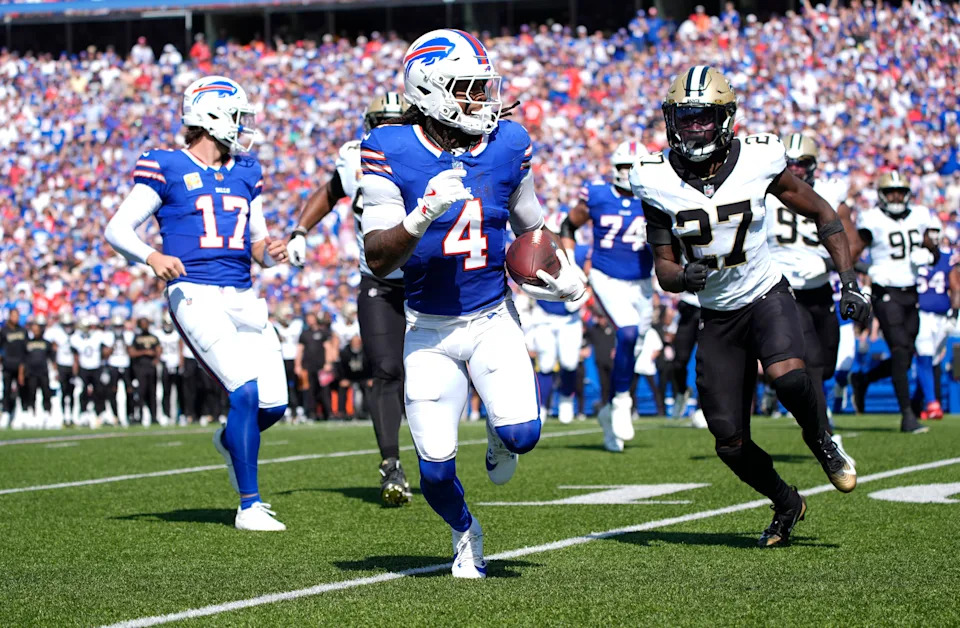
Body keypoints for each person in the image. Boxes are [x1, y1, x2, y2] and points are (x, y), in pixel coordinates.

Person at [361, 29, 586, 577]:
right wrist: (420, 216)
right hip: (428, 329)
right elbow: (376, 258)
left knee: (522, 436)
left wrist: (564, 268)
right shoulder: (389, 148)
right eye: (467, 89)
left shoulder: (508, 143)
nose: (481, 100)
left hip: (490, 317)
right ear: (431, 91)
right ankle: (466, 533)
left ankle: (497, 434)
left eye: (484, 88)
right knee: (435, 473)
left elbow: (531, 224)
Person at [635, 66, 868, 547]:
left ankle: (820, 438)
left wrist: (849, 281)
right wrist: (684, 276)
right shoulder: (652, 177)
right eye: (684, 118)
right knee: (729, 442)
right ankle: (787, 502)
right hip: (717, 314)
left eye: (703, 118)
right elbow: (664, 267)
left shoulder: (759, 158)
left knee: (789, 376)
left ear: (725, 119)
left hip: (766, 293)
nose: (693, 127)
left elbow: (824, 213)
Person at [105, 75, 290, 531]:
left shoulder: (247, 170)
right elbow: (117, 228)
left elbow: (258, 245)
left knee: (274, 405)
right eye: (237, 116)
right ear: (210, 117)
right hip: (195, 292)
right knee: (243, 390)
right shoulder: (165, 165)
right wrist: (152, 256)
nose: (244, 126)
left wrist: (275, 252)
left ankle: (229, 442)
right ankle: (250, 505)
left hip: (242, 294)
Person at [287, 93, 414, 506]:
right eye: (384, 123)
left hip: (427, 279)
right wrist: (301, 231)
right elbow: (330, 191)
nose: (390, 131)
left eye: (398, 122)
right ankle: (391, 464)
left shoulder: (427, 153)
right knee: (387, 370)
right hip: (378, 281)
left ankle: (443, 457)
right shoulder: (355, 157)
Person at [561, 139, 653, 452]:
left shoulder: (655, 198)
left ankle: (608, 408)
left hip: (642, 282)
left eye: (633, 167)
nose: (628, 174)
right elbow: (567, 225)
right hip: (606, 276)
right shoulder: (597, 194)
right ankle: (622, 403)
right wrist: (572, 263)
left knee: (635, 344)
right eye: (624, 167)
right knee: (627, 332)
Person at [765, 133, 852, 439]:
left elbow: (849, 240)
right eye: (791, 163)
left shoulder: (829, 192)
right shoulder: (765, 192)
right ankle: (822, 431)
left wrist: (831, 266)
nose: (796, 169)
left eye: (803, 163)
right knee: (812, 360)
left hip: (820, 287)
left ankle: (792, 396)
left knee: (826, 363)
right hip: (785, 289)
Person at [848, 171, 939, 434]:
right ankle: (907, 415)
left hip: (910, 292)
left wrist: (929, 253)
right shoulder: (872, 220)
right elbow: (851, 254)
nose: (896, 197)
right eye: (891, 192)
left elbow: (931, 248)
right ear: (882, 195)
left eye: (900, 191)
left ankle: (864, 379)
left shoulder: (920, 215)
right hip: (885, 291)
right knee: (899, 349)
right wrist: (869, 268)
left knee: (907, 354)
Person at [913, 240, 956, 420]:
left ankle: (916, 403)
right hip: (920, 313)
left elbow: (956, 286)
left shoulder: (948, 259)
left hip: (941, 316)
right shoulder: (913, 256)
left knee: (932, 360)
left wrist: (954, 313)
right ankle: (932, 403)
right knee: (925, 355)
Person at [70, 316, 110, 426]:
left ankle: (100, 413)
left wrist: (105, 368)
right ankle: (83, 414)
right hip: (84, 368)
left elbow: (107, 350)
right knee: (83, 392)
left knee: (99, 391)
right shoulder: (76, 338)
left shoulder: (98, 336)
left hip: (96, 367)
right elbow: (76, 357)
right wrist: (75, 374)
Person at [45, 312, 79, 425]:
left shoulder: (76, 335)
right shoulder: (58, 334)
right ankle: (64, 415)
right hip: (62, 365)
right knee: (63, 391)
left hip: (72, 366)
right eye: (66, 325)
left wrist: (76, 367)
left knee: (72, 392)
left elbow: (76, 354)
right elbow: (52, 350)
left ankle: (73, 415)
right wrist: (55, 368)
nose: (68, 327)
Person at [274, 306, 304, 421]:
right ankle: (285, 408)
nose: (289, 317)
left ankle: (298, 408)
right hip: (281, 359)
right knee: (282, 386)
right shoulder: (274, 327)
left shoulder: (297, 325)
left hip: (295, 358)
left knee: (298, 385)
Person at [129, 317, 161, 425]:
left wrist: (156, 359)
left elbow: (159, 349)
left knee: (153, 393)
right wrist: (145, 352)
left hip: (151, 368)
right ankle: (139, 416)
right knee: (141, 392)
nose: (145, 326)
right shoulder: (136, 338)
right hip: (140, 368)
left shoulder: (154, 337)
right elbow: (132, 353)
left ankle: (154, 416)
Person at [104, 315, 135, 425]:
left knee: (130, 390)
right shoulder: (108, 336)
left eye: (120, 326)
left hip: (126, 364)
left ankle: (130, 414)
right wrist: (113, 343)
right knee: (113, 390)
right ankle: (115, 416)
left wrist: (124, 342)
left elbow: (131, 352)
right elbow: (105, 354)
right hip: (113, 365)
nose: (118, 329)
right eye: (116, 327)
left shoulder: (128, 335)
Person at [22, 319, 54, 424]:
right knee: (32, 393)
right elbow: (23, 359)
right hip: (31, 373)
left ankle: (47, 413)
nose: (35, 331)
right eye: (33, 330)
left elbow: (52, 358)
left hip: (43, 372)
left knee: (46, 392)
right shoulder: (27, 343)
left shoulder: (46, 343)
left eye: (37, 329)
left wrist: (55, 371)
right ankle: (32, 414)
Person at [0, 309, 27, 427]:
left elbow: (26, 350)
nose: (15, 317)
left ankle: (21, 414)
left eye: (17, 315)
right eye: (13, 315)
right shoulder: (4, 331)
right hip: (7, 365)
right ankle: (6, 413)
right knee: (7, 390)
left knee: (22, 390)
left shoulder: (23, 330)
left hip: (20, 365)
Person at [156, 313, 182, 424]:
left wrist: (181, 363)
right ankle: (166, 414)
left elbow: (180, 350)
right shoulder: (159, 334)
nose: (167, 326)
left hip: (175, 364)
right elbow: (158, 350)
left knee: (179, 391)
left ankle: (179, 414)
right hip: (164, 364)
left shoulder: (177, 334)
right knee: (166, 391)